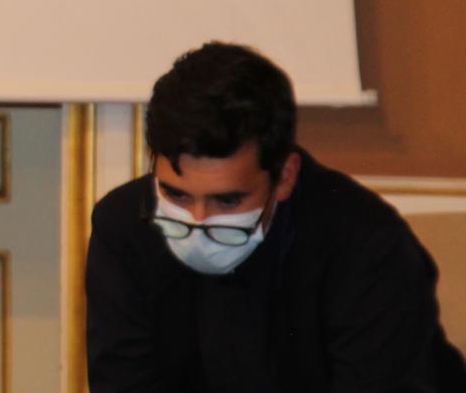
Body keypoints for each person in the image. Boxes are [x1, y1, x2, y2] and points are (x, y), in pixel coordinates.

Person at [86, 41, 466, 391]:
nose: (197, 221)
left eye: (228, 201)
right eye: (176, 194)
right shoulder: (124, 227)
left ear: (285, 176)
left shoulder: (366, 244)